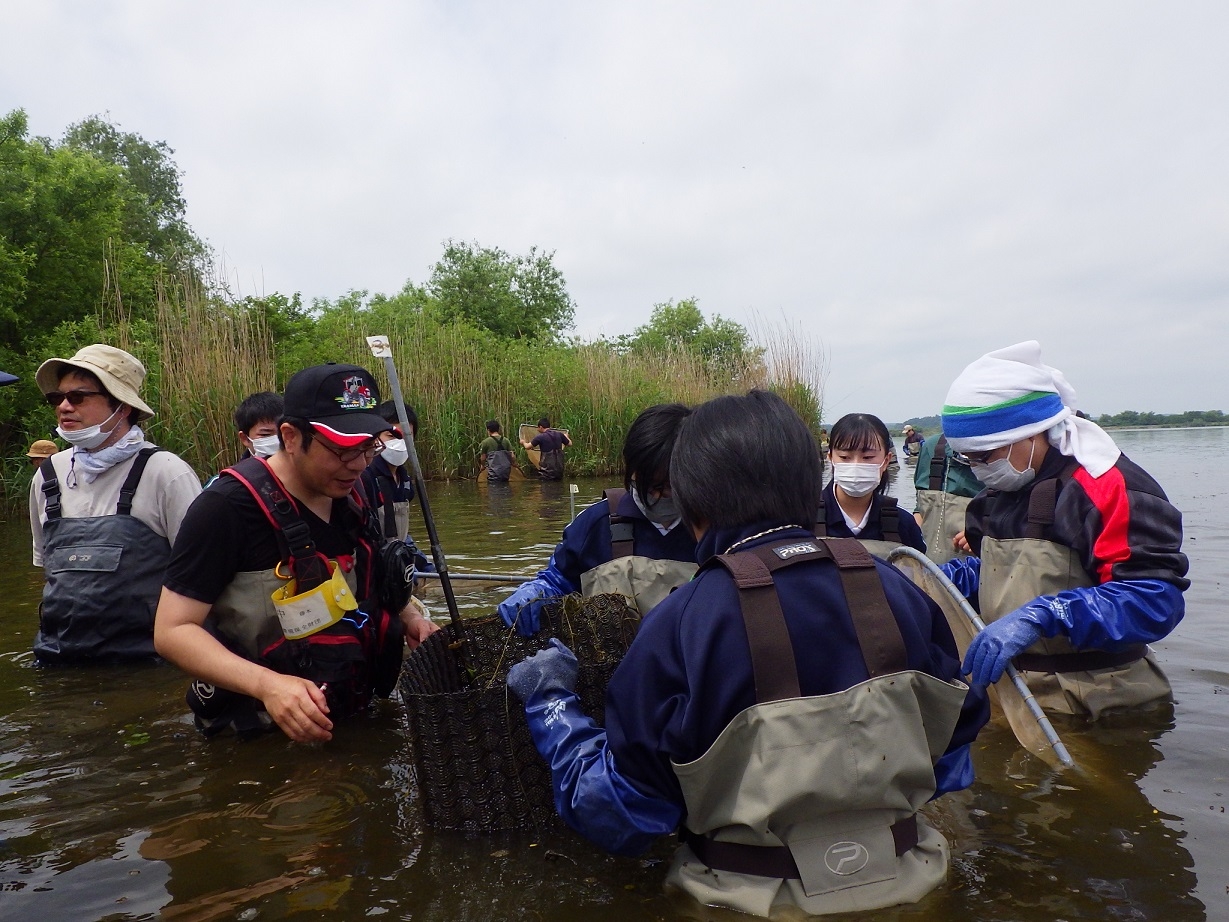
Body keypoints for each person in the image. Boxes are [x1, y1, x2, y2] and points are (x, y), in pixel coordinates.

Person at [506, 391, 988, 917]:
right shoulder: (901, 591)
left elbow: (623, 815)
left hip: (746, 901)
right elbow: (953, 757)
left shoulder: (679, 622)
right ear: (810, 484)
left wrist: (550, 704)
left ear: (694, 499)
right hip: (916, 887)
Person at [154, 362, 438, 743]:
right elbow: (172, 631)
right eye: (340, 450)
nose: (357, 464)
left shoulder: (351, 493)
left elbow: (367, 578)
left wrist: (409, 617)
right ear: (290, 436)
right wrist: (269, 686)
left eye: (369, 447)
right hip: (259, 737)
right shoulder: (224, 508)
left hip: (348, 715)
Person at [939, 341, 1189, 719]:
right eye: (967, 458)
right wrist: (949, 580)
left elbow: (1155, 601)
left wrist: (1049, 614)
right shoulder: (999, 493)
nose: (977, 469)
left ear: (1032, 431)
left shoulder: (1107, 488)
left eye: (985, 456)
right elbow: (1014, 575)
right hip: (1018, 694)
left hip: (1102, 702)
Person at [29, 344, 202, 663]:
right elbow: (50, 571)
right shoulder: (47, 475)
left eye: (78, 397)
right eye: (57, 398)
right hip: (57, 662)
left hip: (146, 666)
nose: (64, 406)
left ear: (122, 406)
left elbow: (204, 580)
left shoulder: (166, 473)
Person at [499, 404, 696, 634]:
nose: (657, 496)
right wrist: (537, 592)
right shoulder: (595, 523)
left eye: (670, 486)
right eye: (650, 485)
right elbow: (559, 580)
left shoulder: (717, 528)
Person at [816, 412, 926, 557]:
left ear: (886, 461)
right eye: (844, 457)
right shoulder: (804, 519)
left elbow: (920, 576)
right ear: (830, 458)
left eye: (868, 457)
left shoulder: (903, 523)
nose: (856, 465)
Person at [912, 431, 981, 565]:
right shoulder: (931, 447)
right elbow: (922, 507)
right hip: (929, 571)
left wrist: (986, 534)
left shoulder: (1010, 450)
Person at [359, 400, 417, 542]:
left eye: (407, 437)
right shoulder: (365, 478)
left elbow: (404, 537)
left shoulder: (405, 482)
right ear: (376, 437)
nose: (400, 443)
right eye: (391, 436)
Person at [522, 416, 570, 480]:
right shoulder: (559, 434)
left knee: (546, 488)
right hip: (559, 471)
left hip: (547, 473)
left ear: (541, 427)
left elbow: (527, 447)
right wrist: (566, 437)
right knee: (559, 488)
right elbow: (570, 443)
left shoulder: (540, 437)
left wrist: (523, 442)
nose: (537, 429)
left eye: (538, 427)